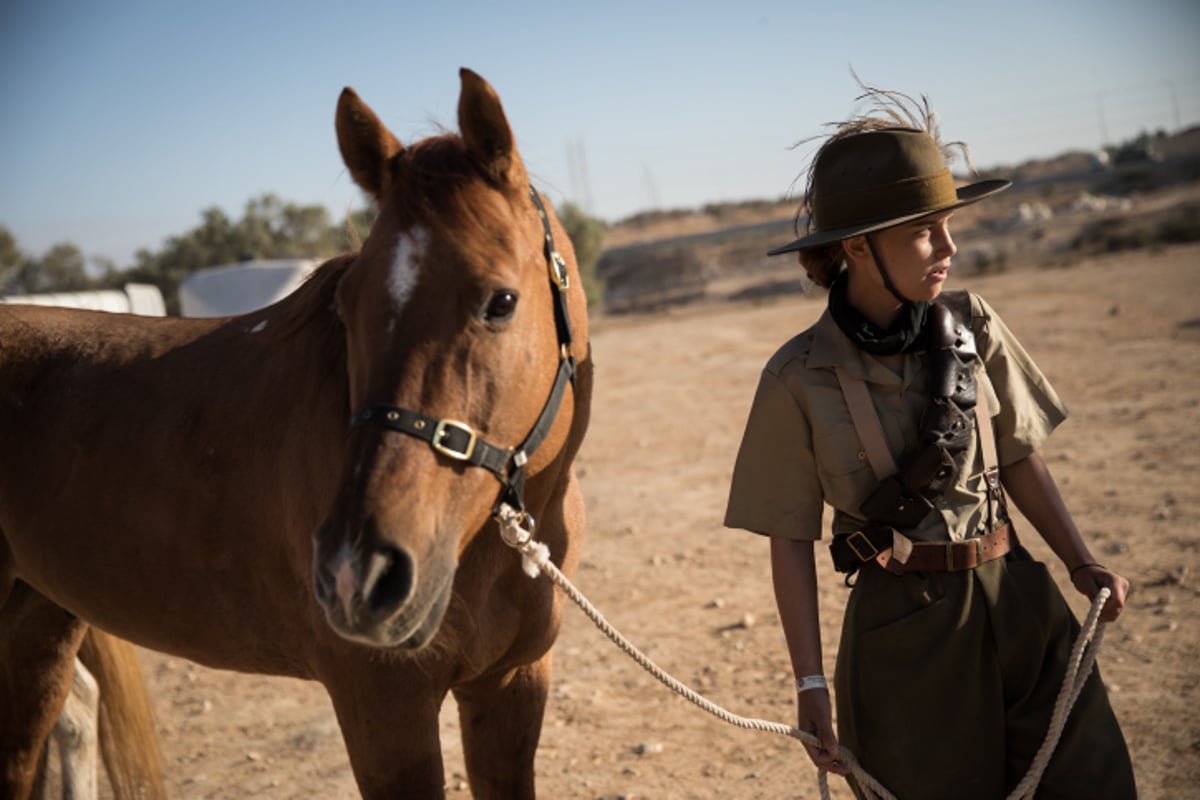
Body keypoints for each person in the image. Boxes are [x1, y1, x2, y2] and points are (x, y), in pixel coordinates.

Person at [723, 87, 1136, 799]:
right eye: (923, 232)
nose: (949, 248)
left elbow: (1016, 454)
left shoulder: (974, 325)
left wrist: (1079, 561)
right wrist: (811, 681)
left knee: (1093, 782)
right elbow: (788, 538)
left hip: (1022, 604)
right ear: (856, 247)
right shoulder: (795, 377)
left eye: (946, 225)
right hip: (902, 639)